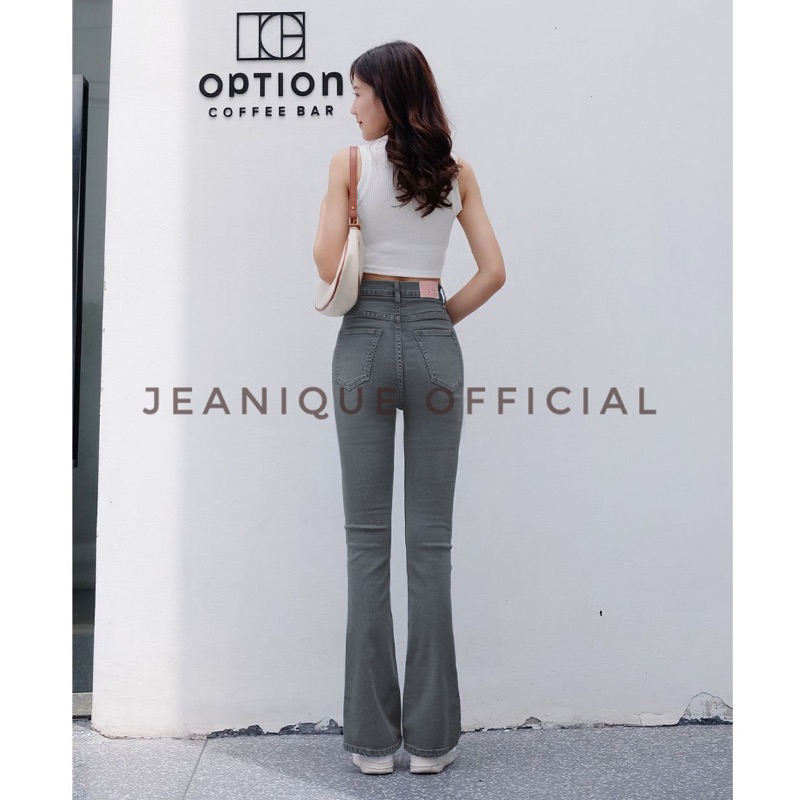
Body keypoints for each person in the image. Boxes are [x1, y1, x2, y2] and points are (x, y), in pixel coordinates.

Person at [313, 40, 505, 776]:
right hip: (433, 342)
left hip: (362, 345)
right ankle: (431, 743)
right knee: (432, 547)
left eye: (359, 93)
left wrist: (345, 208)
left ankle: (371, 744)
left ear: (387, 96)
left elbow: (325, 263)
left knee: (366, 546)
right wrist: (433, 324)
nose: (352, 107)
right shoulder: (457, 173)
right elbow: (493, 272)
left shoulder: (348, 165)